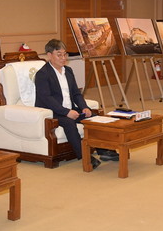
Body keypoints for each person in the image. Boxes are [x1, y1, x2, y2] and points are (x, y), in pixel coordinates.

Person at [34, 39, 117, 169]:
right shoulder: (42, 74)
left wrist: (84, 107)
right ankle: (85, 157)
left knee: (94, 118)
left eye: (65, 54)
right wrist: (66, 112)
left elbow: (76, 93)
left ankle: (104, 151)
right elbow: (46, 99)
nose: (63, 58)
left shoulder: (68, 70)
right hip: (52, 112)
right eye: (59, 55)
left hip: (70, 109)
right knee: (69, 123)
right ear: (49, 55)